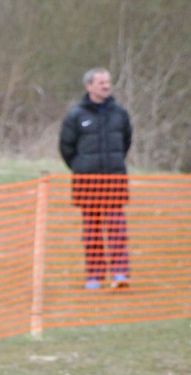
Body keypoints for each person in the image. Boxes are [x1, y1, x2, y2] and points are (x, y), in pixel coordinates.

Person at [59, 67, 133, 290]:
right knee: (92, 230)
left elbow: (126, 142)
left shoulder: (120, 114)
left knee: (116, 227)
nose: (106, 86)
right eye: (101, 82)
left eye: (108, 82)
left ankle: (120, 273)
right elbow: (66, 148)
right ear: (89, 86)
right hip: (87, 182)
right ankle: (94, 275)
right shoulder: (75, 116)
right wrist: (82, 167)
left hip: (113, 180)